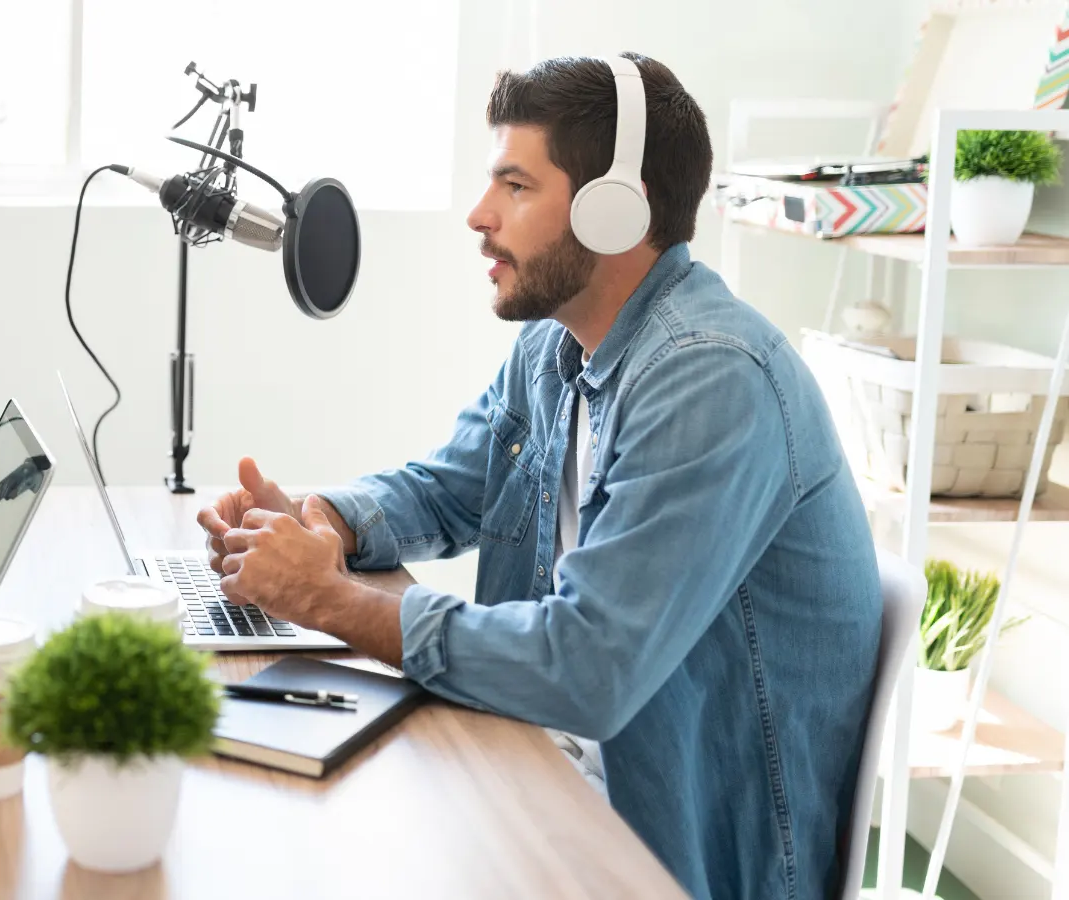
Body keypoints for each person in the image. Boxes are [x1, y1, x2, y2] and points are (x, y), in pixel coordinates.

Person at [198, 54, 881, 899]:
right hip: (553, 776)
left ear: (612, 210)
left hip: (668, 856)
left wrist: (329, 599)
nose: (480, 216)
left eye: (516, 187)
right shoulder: (556, 348)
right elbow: (450, 486)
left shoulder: (712, 377)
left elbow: (586, 668)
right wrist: (321, 523)